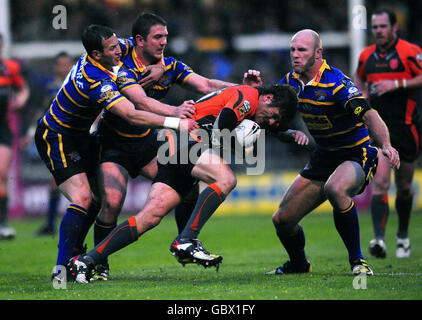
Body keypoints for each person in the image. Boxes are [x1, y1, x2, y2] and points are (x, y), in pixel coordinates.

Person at [68, 83, 301, 283]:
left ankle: (86, 261)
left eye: (276, 120)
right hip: (187, 141)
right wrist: (239, 146)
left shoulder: (251, 106)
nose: (270, 121)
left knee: (150, 216)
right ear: (267, 98)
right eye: (273, 114)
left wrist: (288, 133)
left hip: (175, 147)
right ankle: (187, 239)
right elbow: (222, 126)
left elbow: (263, 127)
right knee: (226, 179)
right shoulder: (249, 96)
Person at [91, 12, 263, 280]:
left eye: (166, 37)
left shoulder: (170, 67)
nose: (163, 42)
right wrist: (175, 113)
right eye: (158, 37)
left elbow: (206, 84)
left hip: (147, 144)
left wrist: (244, 89)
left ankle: (187, 242)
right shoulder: (121, 66)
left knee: (187, 186)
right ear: (139, 40)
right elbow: (140, 104)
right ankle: (97, 264)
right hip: (115, 144)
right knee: (111, 204)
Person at [34, 24, 198, 280]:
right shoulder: (94, 78)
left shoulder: (113, 49)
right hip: (57, 136)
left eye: (117, 45)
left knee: (100, 200)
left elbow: (143, 47)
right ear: (97, 55)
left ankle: (83, 255)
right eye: (112, 49)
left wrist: (160, 65)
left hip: (84, 136)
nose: (119, 50)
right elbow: (131, 113)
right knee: (83, 198)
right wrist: (177, 119)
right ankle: (62, 269)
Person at [270, 29, 400, 276]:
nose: (295, 55)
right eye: (292, 50)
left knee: (336, 188)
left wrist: (386, 145)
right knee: (282, 220)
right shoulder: (289, 84)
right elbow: (271, 120)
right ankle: (299, 264)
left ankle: (358, 261)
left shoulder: (336, 83)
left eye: (302, 50)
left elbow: (369, 114)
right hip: (325, 156)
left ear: (318, 53)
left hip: (357, 153)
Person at [354, 9, 422, 259]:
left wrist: (397, 84)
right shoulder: (366, 56)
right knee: (380, 183)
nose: (379, 31)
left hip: (407, 128)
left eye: (383, 26)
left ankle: (402, 236)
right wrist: (362, 96)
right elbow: (358, 80)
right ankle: (379, 240)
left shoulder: (410, 52)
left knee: (404, 186)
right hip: (380, 131)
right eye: (375, 27)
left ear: (394, 28)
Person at [21, 52, 74, 236]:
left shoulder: (78, 84)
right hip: (59, 140)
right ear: (56, 67)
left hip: (78, 138)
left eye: (68, 64)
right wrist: (29, 133)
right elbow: (41, 112)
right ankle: (51, 224)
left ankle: (55, 224)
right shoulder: (51, 88)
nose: (65, 67)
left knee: (62, 182)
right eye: (61, 64)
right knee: (56, 181)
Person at [0, 33, 30, 240]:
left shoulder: (10, 68)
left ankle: (2, 224)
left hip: (3, 128)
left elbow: (23, 89)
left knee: (0, 174)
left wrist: (20, 99)